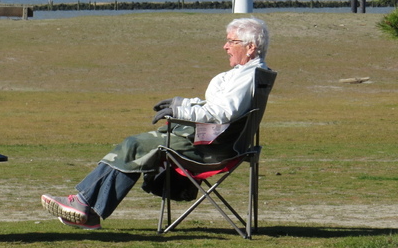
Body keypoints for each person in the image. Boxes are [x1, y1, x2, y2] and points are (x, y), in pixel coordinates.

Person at [42, 17, 271, 230]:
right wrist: (181, 102)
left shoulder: (247, 76)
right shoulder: (251, 73)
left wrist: (179, 111)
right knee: (136, 145)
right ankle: (86, 208)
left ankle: (84, 205)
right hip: (217, 142)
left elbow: (223, 112)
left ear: (250, 47)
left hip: (211, 149)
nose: (225, 46)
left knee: (135, 144)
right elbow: (219, 106)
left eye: (231, 41)